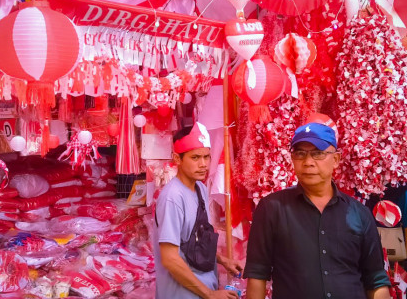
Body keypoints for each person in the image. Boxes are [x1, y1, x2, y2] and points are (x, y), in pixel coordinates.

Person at [244, 122, 391, 299]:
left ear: (335, 160)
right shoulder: (271, 208)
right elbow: (257, 273)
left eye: (318, 154)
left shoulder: (358, 213)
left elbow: (375, 279)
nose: (308, 162)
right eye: (300, 154)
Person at [154, 122, 242, 299]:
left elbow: (194, 241)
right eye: (195, 158)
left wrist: (223, 260)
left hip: (202, 287)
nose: (203, 164)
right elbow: (170, 258)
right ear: (178, 159)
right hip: (182, 294)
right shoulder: (173, 197)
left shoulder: (200, 188)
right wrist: (209, 294)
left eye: (206, 157)